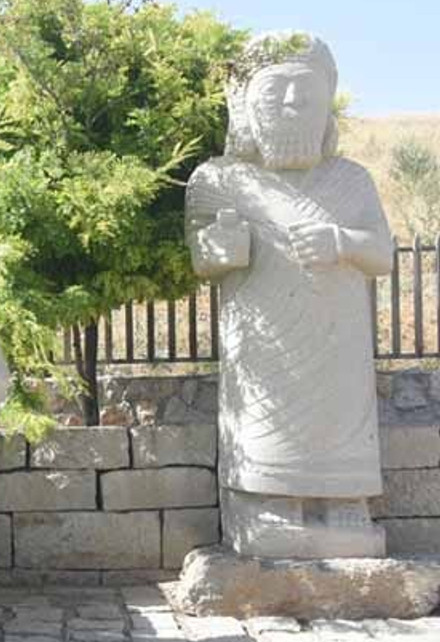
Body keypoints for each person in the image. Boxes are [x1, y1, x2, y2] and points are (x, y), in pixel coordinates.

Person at [186, 33, 393, 558]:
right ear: (246, 106)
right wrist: (222, 246)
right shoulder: (219, 179)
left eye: (306, 92)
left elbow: (383, 255)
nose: (292, 104)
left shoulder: (351, 180)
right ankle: (268, 503)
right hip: (264, 341)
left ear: (327, 104)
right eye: (275, 91)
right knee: (266, 413)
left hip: (337, 342)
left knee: (340, 414)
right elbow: (201, 258)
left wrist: (340, 242)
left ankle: (343, 503)